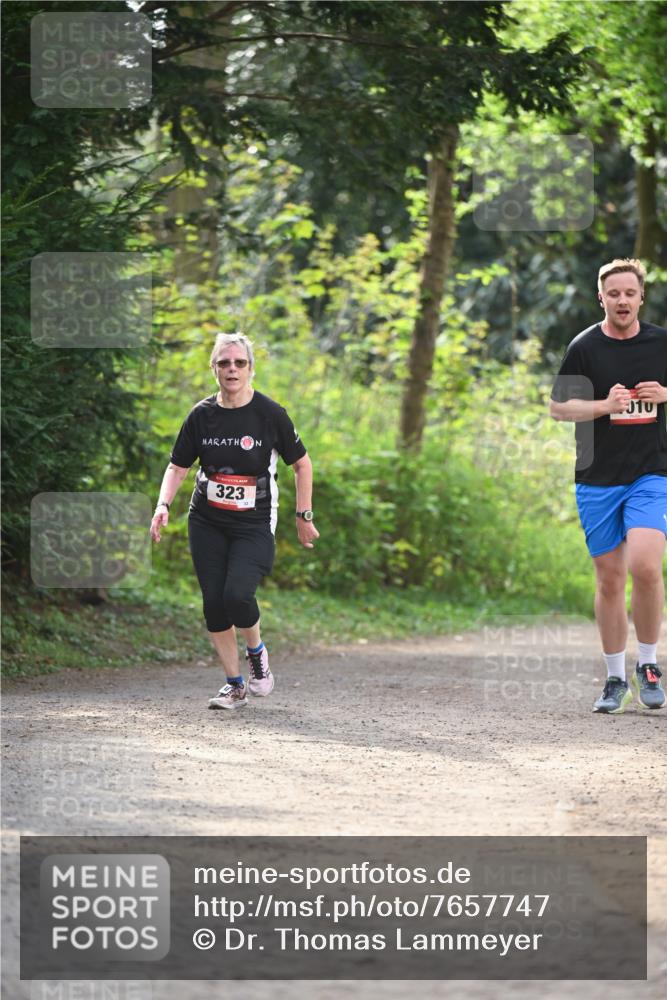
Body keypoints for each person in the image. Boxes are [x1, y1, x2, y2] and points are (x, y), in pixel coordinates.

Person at [150, 333, 319, 710]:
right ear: (213, 368)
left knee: (237, 595)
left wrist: (303, 515)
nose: (231, 369)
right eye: (224, 363)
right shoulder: (201, 415)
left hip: (253, 523)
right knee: (213, 602)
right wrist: (163, 506)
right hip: (206, 520)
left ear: (250, 368)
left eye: (239, 363)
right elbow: (178, 467)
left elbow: (301, 464)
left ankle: (256, 652)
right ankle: (234, 684)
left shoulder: (269, 414)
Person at [550, 258, 666, 714]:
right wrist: (604, 404)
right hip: (597, 477)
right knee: (610, 578)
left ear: (641, 298)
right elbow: (559, 410)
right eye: (613, 293)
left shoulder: (661, 343)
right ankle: (616, 678)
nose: (622, 300)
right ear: (601, 297)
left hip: (653, 473)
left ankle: (650, 666)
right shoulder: (584, 347)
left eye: (629, 293)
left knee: (645, 566)